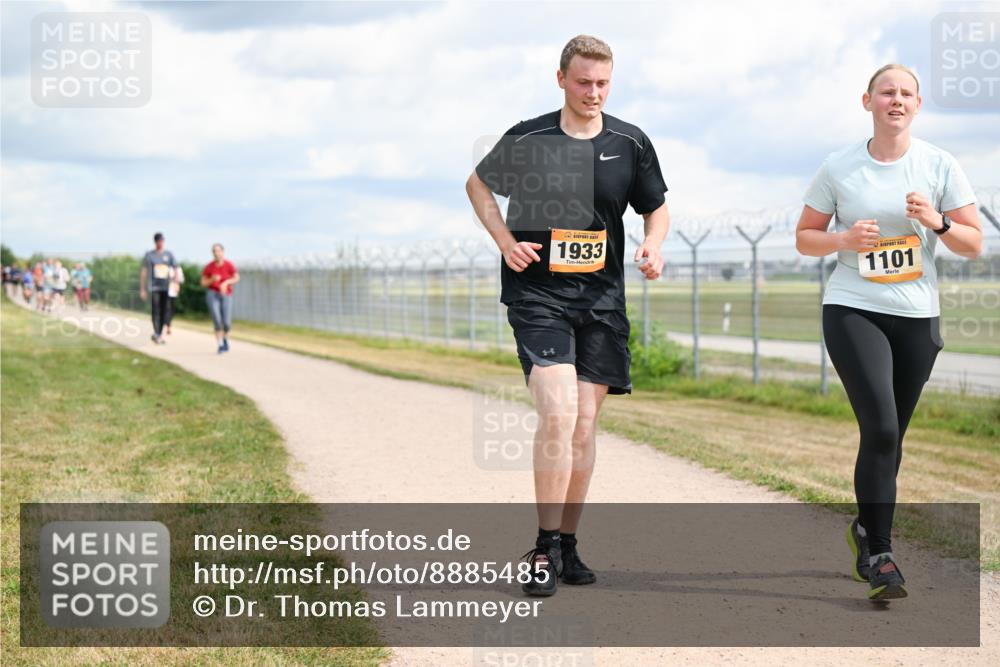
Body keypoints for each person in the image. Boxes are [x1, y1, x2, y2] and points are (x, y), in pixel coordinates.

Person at [466, 35, 669, 597]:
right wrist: (504, 240)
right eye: (583, 82)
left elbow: (656, 209)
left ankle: (569, 544)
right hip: (539, 297)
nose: (593, 93)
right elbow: (478, 184)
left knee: (583, 425)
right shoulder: (530, 137)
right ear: (561, 79)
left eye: (603, 83)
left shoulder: (630, 142)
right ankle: (544, 546)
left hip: (601, 302)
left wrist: (654, 244)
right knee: (556, 413)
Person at [796, 64, 981, 602]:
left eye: (905, 94)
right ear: (867, 101)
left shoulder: (939, 165)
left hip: (917, 316)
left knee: (891, 435)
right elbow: (806, 238)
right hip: (854, 307)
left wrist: (938, 222)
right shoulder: (840, 167)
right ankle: (879, 554)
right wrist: (844, 239)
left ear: (917, 105)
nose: (895, 101)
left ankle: (863, 526)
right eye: (886, 93)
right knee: (878, 427)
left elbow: (973, 244)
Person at [201, 243, 239, 354]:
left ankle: (225, 337)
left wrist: (226, 283)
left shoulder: (229, 265)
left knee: (227, 322)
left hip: (226, 294)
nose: (216, 253)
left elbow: (236, 277)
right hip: (213, 293)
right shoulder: (209, 267)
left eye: (218, 251)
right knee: (217, 320)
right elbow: (203, 282)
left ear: (222, 252)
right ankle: (220, 344)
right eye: (214, 251)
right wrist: (212, 280)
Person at [140, 233, 177, 344]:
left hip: (166, 287)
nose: (160, 243)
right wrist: (142, 288)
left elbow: (175, 269)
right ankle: (156, 332)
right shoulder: (150, 255)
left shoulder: (169, 255)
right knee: (155, 309)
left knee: (164, 310)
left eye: (162, 240)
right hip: (154, 286)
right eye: (158, 241)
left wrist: (176, 283)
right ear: (155, 242)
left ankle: (159, 334)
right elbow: (144, 272)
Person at [165, 264, 185, 334]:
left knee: (171, 310)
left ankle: (168, 325)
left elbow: (181, 279)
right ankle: (167, 326)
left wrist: (177, 284)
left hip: (173, 291)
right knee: (166, 308)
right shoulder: (165, 266)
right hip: (164, 291)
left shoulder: (178, 268)